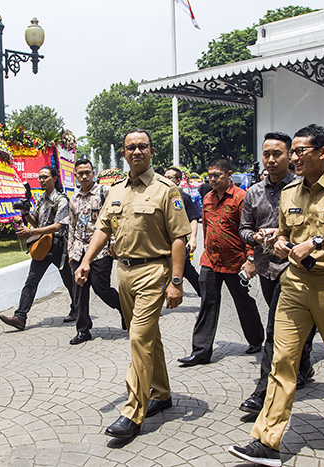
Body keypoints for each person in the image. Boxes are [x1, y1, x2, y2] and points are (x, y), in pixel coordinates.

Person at [230, 124, 324, 466]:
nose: (292, 158)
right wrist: (280, 243)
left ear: (322, 153)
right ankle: (267, 439)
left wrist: (319, 242)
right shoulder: (289, 193)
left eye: (299, 151)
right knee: (282, 359)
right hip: (294, 284)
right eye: (291, 152)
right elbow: (284, 235)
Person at [75, 129, 191, 439]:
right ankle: (162, 393)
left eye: (142, 146)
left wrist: (176, 282)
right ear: (124, 154)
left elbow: (180, 238)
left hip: (154, 271)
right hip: (123, 272)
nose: (136, 151)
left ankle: (133, 412)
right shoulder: (115, 191)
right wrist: (87, 260)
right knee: (148, 336)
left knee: (138, 339)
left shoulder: (166, 190)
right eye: (130, 148)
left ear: (152, 151)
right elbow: (102, 228)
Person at [237, 132, 315, 416]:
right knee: (286, 325)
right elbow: (243, 229)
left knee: (274, 331)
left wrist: (285, 237)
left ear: (290, 156)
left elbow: (312, 229)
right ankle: (304, 364)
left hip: (293, 269)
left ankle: (263, 392)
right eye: (266, 154)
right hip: (266, 269)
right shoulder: (254, 192)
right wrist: (256, 238)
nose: (271, 159)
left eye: (277, 154)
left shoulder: (301, 188)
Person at [177, 158, 264, 367]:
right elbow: (207, 227)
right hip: (211, 260)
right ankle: (200, 351)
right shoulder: (207, 198)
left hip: (236, 262)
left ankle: (256, 339)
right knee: (207, 303)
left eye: (217, 175)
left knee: (242, 301)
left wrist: (250, 259)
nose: (213, 179)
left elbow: (250, 230)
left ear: (229, 175)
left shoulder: (241, 198)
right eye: (210, 176)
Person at [0, 166, 76, 331]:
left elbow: (57, 226)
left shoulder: (61, 200)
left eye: (45, 177)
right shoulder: (41, 199)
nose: (41, 180)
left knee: (68, 280)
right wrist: (26, 213)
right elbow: (37, 222)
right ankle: (20, 317)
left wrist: (30, 232)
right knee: (32, 280)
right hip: (42, 245)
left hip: (58, 246)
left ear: (55, 178)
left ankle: (77, 309)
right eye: (40, 177)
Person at [67, 158, 124, 345]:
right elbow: (71, 226)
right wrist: (70, 251)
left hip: (101, 250)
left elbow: (114, 219)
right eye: (80, 173)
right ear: (76, 175)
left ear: (93, 173)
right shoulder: (73, 198)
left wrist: (114, 242)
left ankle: (124, 308)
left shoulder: (104, 192)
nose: (84, 176)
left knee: (102, 288)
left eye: (87, 172)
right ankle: (83, 330)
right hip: (78, 250)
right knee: (79, 292)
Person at [165, 167, 201, 296]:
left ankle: (206, 297)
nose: (165, 180)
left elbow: (193, 219)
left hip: (178, 243)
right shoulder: (159, 196)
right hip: (162, 244)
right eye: (165, 177)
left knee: (187, 271)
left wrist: (192, 239)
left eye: (170, 177)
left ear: (178, 181)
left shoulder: (183, 198)